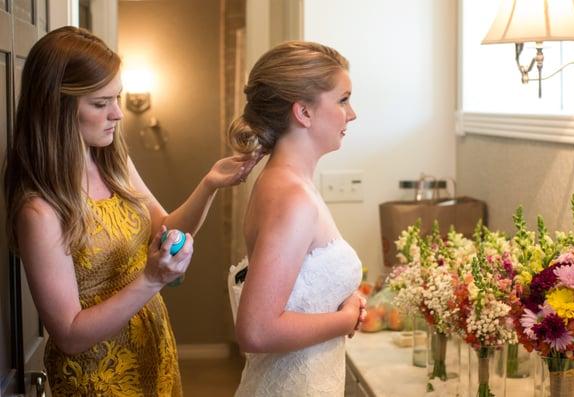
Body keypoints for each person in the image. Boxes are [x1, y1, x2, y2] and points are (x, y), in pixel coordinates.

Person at [3, 26, 261, 396]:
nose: (118, 114)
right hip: (98, 378)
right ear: (57, 106)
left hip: (152, 353)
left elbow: (166, 227)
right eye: (101, 103)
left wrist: (209, 185)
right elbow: (70, 334)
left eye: (117, 98)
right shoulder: (39, 209)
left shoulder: (113, 161)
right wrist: (152, 279)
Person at [229, 41, 367, 396]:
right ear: (303, 112)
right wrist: (346, 319)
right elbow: (256, 330)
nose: (351, 114)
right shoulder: (292, 198)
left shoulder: (291, 183)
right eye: (342, 100)